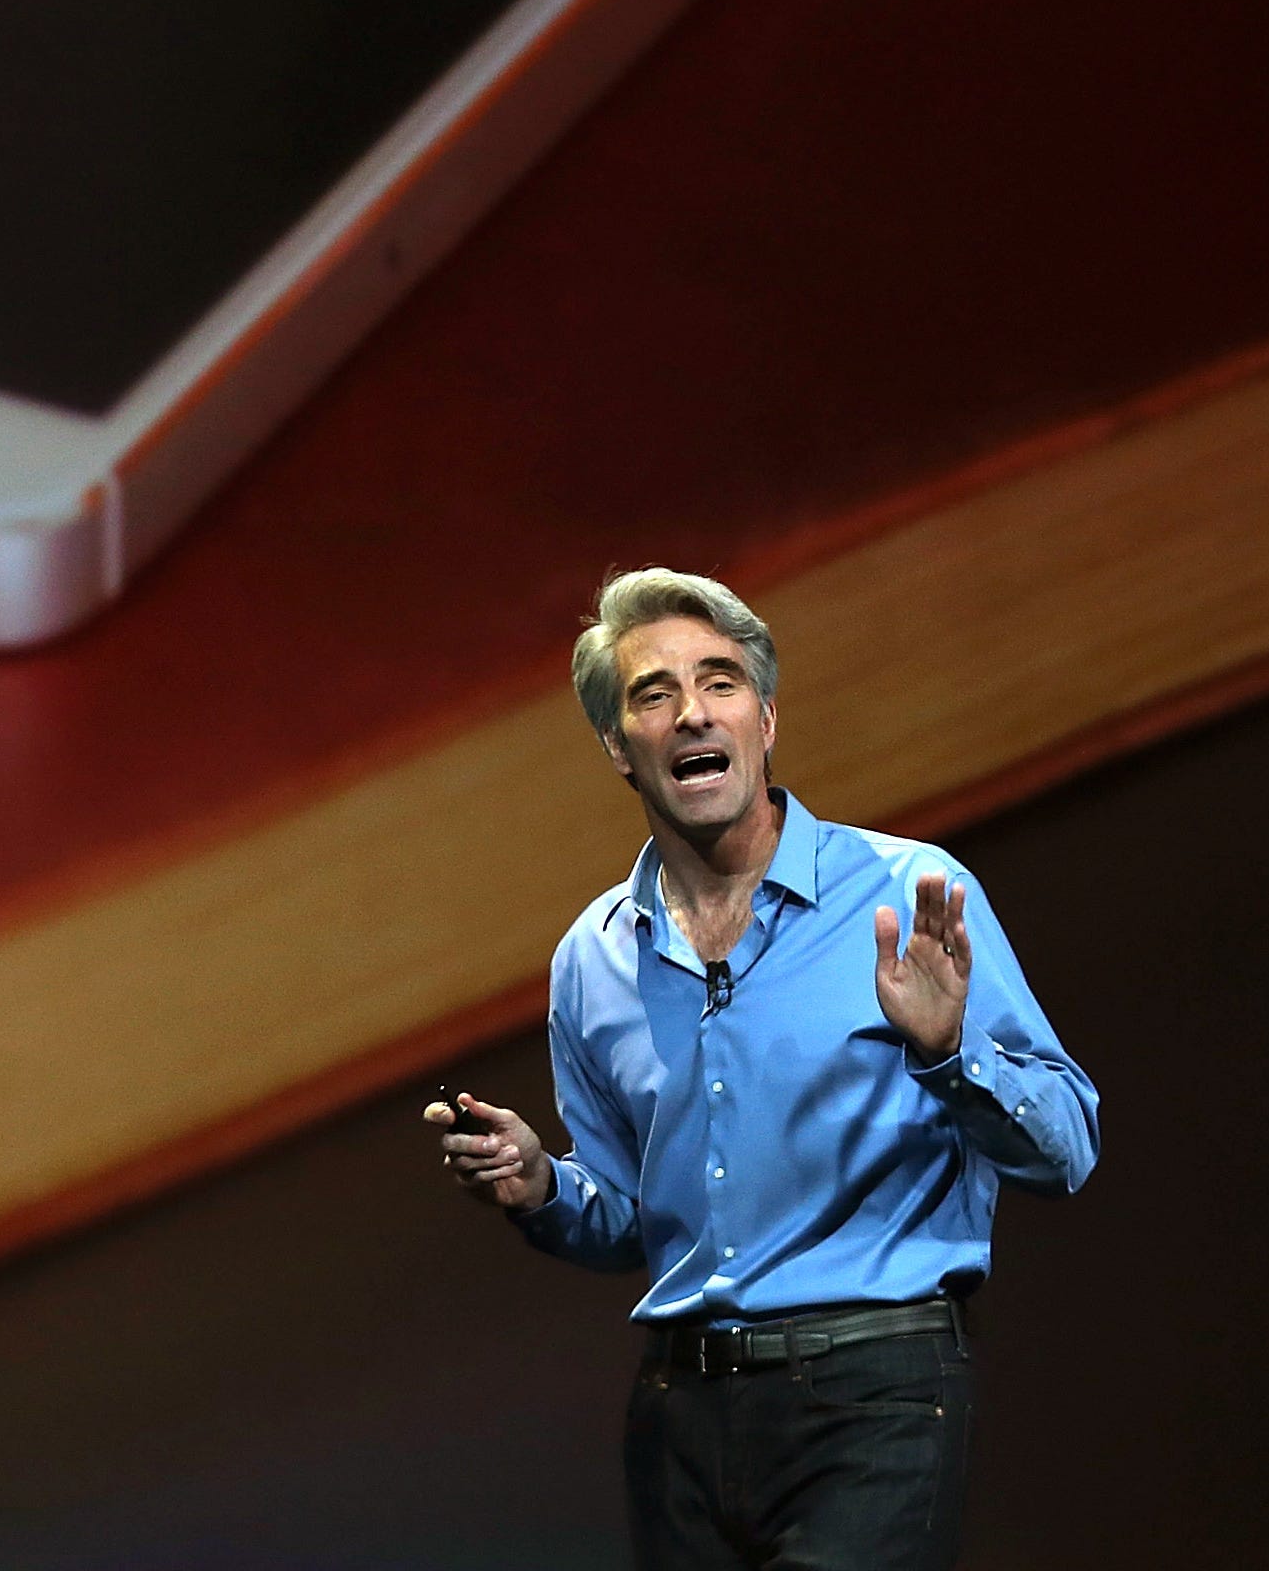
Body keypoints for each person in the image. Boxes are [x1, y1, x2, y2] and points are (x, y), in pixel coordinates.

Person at [430, 568, 1098, 1571]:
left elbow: (1068, 1148)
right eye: (653, 695)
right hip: (681, 1417)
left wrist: (949, 1053)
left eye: (721, 682)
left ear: (767, 718)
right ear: (619, 746)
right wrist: (541, 1189)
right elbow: (626, 1215)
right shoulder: (594, 957)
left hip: (877, 1393)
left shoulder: (911, 892)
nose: (692, 711)